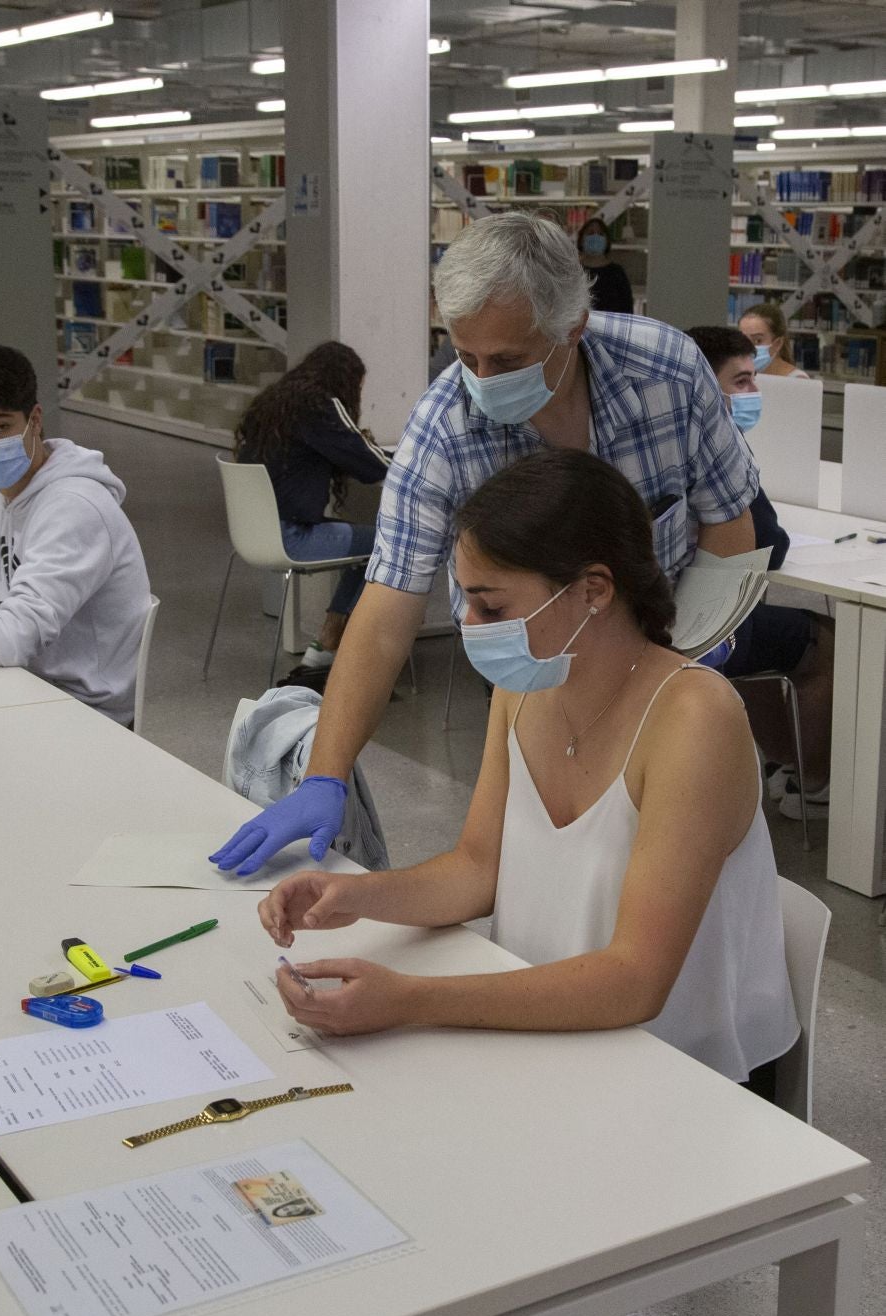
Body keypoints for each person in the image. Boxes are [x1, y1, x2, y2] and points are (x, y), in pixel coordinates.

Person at [211, 211, 760, 877]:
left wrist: (704, 640)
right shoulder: (446, 427)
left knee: (665, 871)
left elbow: (727, 518)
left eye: (507, 360)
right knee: (547, 867)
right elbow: (387, 611)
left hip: (667, 660)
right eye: (464, 355)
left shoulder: (667, 372)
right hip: (530, 679)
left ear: (573, 327)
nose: (483, 379)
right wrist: (325, 775)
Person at [258, 452, 799, 1097]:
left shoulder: (693, 718)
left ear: (595, 591)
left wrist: (410, 999)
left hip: (683, 1072)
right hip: (554, 1030)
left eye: (490, 606)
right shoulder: (527, 688)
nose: (468, 626)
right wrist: (357, 896)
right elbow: (480, 868)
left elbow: (636, 981)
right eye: (465, 602)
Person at [687, 326, 833, 819]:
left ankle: (778, 763)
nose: (754, 393)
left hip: (682, 617)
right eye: (743, 382)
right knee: (822, 641)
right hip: (702, 626)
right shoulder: (721, 447)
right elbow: (772, 545)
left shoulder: (672, 436)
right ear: (708, 388)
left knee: (754, 616)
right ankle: (812, 785)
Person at [0, 344, 150, 725]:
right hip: (23, 682)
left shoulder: (75, 507)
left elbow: (13, 639)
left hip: (83, 711)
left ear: (35, 420)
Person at [234, 341, 389, 677]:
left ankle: (331, 640)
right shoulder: (321, 406)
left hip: (257, 534)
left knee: (369, 541)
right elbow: (371, 464)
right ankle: (331, 639)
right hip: (293, 537)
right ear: (345, 381)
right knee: (387, 542)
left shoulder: (273, 404)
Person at [575, 216, 634, 314]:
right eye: (590, 233)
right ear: (581, 240)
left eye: (600, 234)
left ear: (607, 241)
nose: (595, 236)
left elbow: (627, 310)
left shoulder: (617, 273)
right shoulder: (573, 271)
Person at [738, 302, 810, 379]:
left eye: (758, 341)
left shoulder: (797, 380)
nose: (748, 347)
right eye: (743, 340)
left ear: (777, 344)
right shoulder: (740, 376)